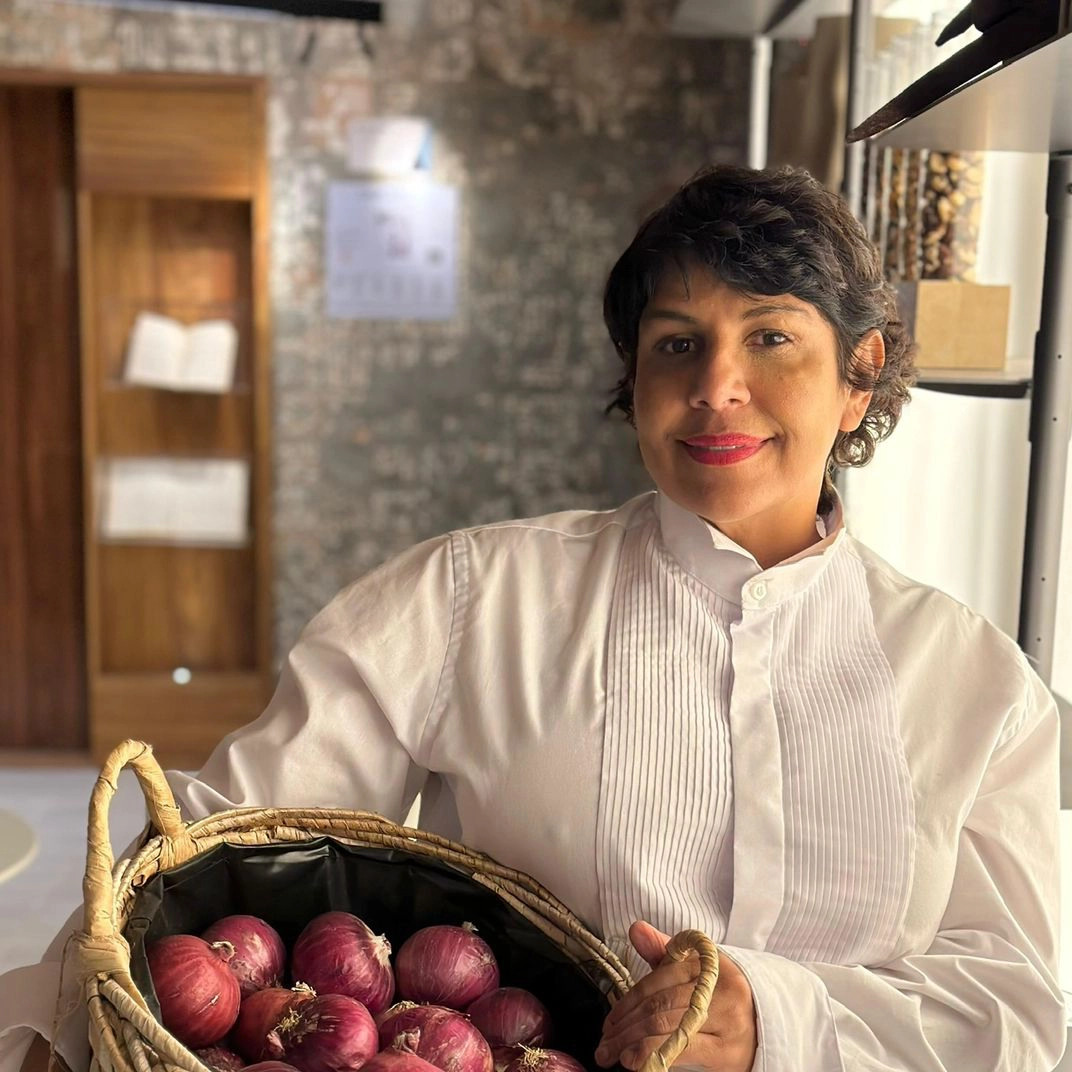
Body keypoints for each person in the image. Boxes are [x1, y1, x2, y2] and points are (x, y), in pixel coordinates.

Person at [0, 164, 1065, 1072]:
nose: (717, 387)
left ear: (858, 373)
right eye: (677, 344)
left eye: (773, 338)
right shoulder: (475, 597)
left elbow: (1024, 1016)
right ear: (633, 377)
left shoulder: (978, 690)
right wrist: (53, 1025)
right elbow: (210, 851)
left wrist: (774, 1020)